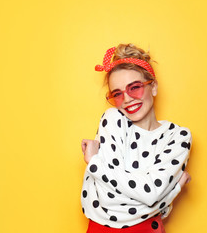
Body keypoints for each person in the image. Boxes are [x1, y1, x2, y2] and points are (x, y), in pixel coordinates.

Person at [81, 44, 192, 233]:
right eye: (117, 93)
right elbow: (110, 200)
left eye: (135, 87)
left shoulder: (178, 136)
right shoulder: (113, 120)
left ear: (153, 87)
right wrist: (173, 191)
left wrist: (94, 163)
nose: (127, 99)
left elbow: (150, 195)